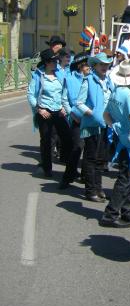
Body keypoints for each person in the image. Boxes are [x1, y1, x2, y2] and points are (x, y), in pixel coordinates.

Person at [100, 59, 130, 228]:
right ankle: (110, 214)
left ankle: (128, 210)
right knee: (126, 177)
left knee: (129, 176)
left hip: (122, 138)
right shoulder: (129, 95)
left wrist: (117, 127)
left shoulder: (116, 92)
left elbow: (106, 115)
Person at [27, 49, 77, 186]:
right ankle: (47, 168)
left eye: (57, 60)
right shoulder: (38, 75)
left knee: (68, 139)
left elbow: (65, 90)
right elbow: (31, 94)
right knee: (47, 141)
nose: (56, 62)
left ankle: (69, 168)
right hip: (45, 112)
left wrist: (63, 106)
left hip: (59, 111)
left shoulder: (60, 73)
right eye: (54, 60)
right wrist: (39, 109)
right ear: (47, 62)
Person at [76, 52, 114, 202]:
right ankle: (90, 190)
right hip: (92, 125)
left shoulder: (109, 81)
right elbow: (79, 103)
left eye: (106, 64)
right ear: (95, 65)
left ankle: (98, 188)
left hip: (106, 124)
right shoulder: (88, 81)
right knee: (91, 158)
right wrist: (92, 114)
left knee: (101, 159)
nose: (104, 67)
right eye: (101, 64)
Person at [61, 52, 90, 183]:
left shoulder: (92, 79)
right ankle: (69, 175)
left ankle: (86, 176)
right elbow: (64, 99)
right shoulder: (70, 79)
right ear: (80, 66)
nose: (89, 68)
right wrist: (71, 113)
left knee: (90, 150)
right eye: (86, 65)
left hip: (90, 119)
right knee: (77, 147)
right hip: (76, 118)